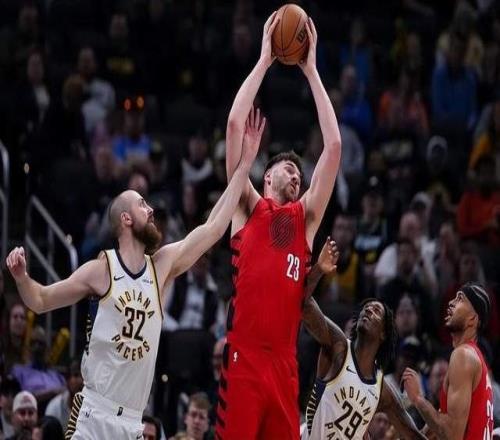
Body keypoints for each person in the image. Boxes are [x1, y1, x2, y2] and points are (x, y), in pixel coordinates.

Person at [5, 111, 263, 440]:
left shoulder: (162, 266)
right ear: (126, 219)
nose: (151, 210)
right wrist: (22, 277)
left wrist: (244, 167)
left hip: (132, 422)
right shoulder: (102, 269)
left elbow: (212, 229)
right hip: (94, 414)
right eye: (143, 205)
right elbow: (40, 300)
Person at [216, 11, 342, 439]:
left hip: (285, 365)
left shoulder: (304, 220)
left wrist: (311, 70)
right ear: (267, 176)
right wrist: (265, 59)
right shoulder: (246, 205)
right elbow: (235, 124)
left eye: (300, 174)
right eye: (289, 169)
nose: (297, 176)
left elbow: (334, 147)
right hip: (245, 360)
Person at [301, 239, 426, 439]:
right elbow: (304, 305)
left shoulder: (382, 391)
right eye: (366, 308)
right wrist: (318, 270)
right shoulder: (339, 346)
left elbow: (412, 434)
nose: (368, 310)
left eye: (376, 311)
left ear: (383, 334)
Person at [403, 282, 494, 439]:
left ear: (472, 319)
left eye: (460, 299)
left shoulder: (463, 355)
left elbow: (452, 435)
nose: (451, 302)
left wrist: (418, 398)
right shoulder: (473, 358)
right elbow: (437, 427)